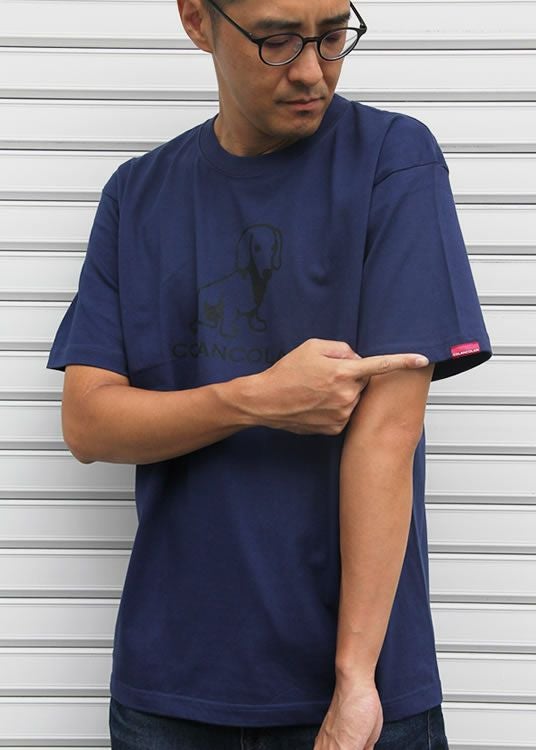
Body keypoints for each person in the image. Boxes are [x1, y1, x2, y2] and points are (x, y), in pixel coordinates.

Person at [46, 0, 493, 747]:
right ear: (198, 21)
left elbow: (389, 432)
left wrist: (355, 681)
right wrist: (255, 400)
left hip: (359, 688)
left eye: (332, 36)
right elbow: (89, 423)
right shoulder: (137, 194)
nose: (312, 71)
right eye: (278, 41)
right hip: (169, 690)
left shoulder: (392, 158)